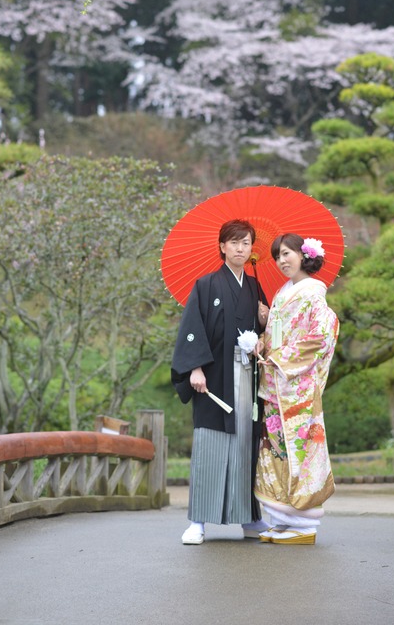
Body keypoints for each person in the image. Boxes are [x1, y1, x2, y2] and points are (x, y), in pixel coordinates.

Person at [171, 219, 271, 544]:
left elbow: (266, 336)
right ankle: (198, 521)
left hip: (247, 376)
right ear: (222, 246)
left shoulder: (255, 288)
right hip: (213, 380)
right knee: (210, 448)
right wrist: (194, 368)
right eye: (234, 242)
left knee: (246, 447)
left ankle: (249, 519)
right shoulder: (206, 285)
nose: (241, 248)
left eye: (246, 243)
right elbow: (191, 330)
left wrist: (264, 329)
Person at [254, 233, 340, 545]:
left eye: (287, 253)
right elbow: (277, 334)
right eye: (278, 256)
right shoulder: (282, 293)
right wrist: (264, 334)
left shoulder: (313, 295)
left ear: (304, 256)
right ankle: (281, 519)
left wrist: (280, 357)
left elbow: (322, 334)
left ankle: (304, 523)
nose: (281, 261)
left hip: (298, 388)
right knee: (275, 451)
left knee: (299, 451)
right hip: (276, 385)